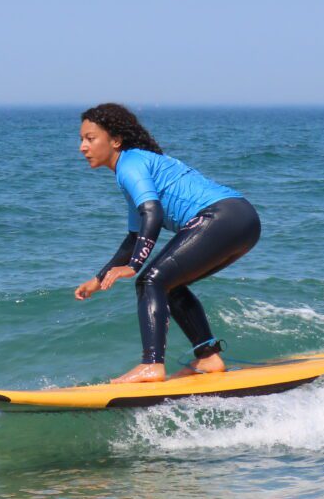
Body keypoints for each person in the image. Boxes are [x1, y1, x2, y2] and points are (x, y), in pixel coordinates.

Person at [74, 103, 261, 384]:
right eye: (81, 140)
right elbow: (136, 235)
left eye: (90, 138)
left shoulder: (130, 165)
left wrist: (134, 266)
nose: (82, 147)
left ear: (115, 140)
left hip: (221, 216)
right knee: (167, 284)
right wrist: (98, 279)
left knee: (150, 280)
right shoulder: (134, 167)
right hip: (242, 220)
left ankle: (151, 365)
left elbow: (153, 213)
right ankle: (208, 357)